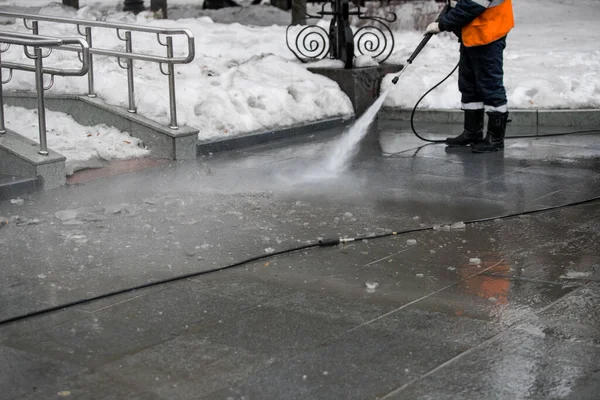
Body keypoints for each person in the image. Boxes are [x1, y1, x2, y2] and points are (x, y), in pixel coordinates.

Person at [425, 0, 514, 153]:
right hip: (472, 32)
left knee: (490, 85)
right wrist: (445, 17)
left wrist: (442, 25)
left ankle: (495, 138)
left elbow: (472, 5)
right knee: (469, 84)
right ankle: (472, 132)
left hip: (489, 33)